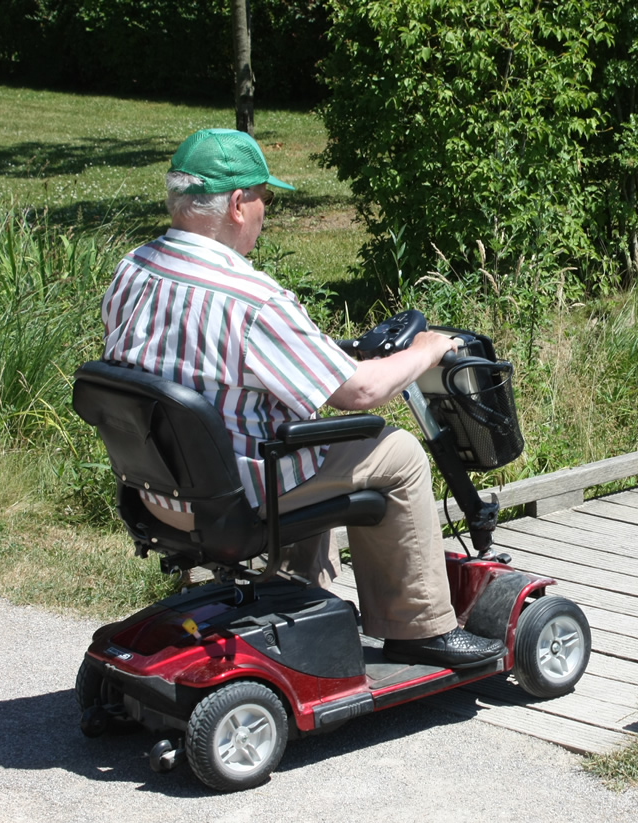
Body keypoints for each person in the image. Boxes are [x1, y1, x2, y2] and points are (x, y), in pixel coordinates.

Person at [100, 128, 505, 670]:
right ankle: (420, 627)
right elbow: (361, 391)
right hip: (234, 497)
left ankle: (294, 590)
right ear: (239, 204)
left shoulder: (133, 270)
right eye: (265, 197)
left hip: (157, 491)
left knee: (300, 435)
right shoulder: (254, 300)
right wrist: (430, 348)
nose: (267, 210)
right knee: (396, 452)